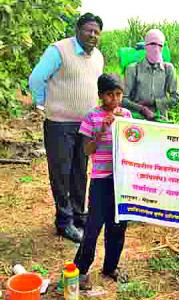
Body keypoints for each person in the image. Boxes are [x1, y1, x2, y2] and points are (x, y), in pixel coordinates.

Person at [29, 13, 104, 243]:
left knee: (80, 172)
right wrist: (43, 103)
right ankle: (64, 222)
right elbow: (36, 78)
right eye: (88, 30)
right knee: (61, 173)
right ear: (77, 30)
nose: (92, 35)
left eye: (96, 32)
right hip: (60, 124)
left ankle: (79, 215)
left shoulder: (98, 57)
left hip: (85, 125)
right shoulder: (59, 50)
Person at [75, 73, 131, 289]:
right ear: (100, 95)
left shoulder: (126, 115)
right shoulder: (92, 117)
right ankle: (80, 269)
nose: (115, 99)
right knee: (93, 226)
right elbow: (87, 150)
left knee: (118, 226)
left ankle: (110, 267)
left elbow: (134, 143)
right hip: (101, 180)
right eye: (110, 95)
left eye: (118, 94)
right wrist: (102, 130)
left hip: (121, 180)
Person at [123, 29, 179, 121]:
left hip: (160, 119)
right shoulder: (133, 69)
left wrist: (154, 103)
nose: (156, 48)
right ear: (145, 46)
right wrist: (142, 109)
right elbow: (123, 99)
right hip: (136, 119)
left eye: (160, 45)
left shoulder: (168, 69)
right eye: (153, 44)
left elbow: (175, 99)